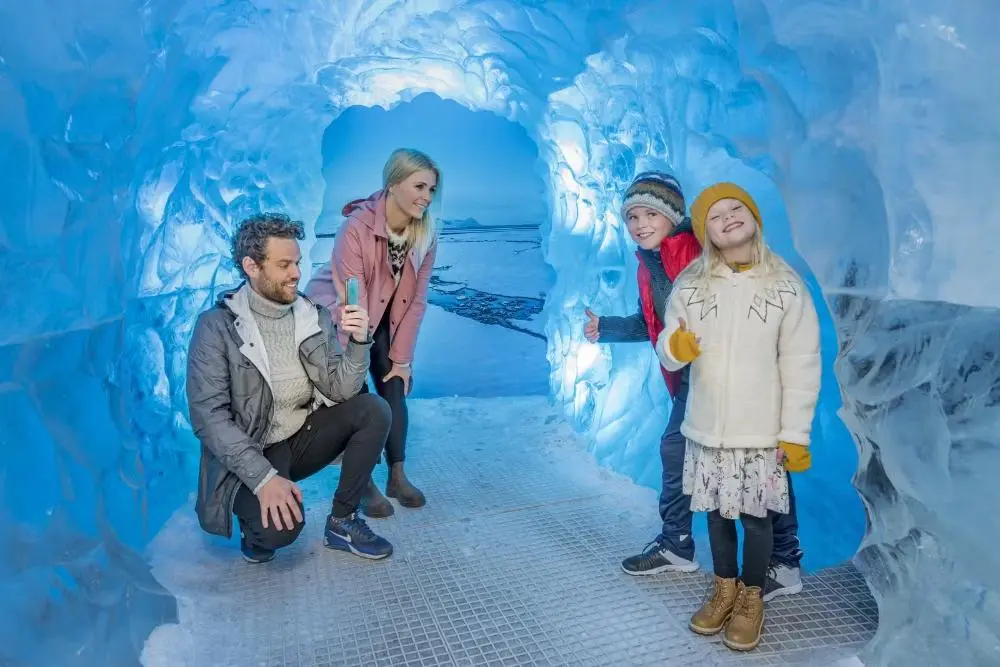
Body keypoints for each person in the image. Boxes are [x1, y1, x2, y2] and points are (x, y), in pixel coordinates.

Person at [657, 183, 821, 651]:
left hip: (761, 432)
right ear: (705, 231)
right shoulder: (692, 283)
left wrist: (794, 435)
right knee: (714, 514)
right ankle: (723, 586)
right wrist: (676, 348)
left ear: (753, 217)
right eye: (715, 215)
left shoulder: (786, 286)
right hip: (707, 428)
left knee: (757, 518)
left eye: (737, 208)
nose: (728, 217)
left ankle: (751, 596)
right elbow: (667, 344)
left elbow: (801, 362)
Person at [186, 213, 395, 564]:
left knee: (373, 409)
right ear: (251, 266)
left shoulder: (312, 315)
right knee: (278, 532)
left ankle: (343, 521)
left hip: (299, 437)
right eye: (284, 265)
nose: (297, 273)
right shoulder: (216, 327)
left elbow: (341, 390)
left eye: (297, 262)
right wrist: (263, 478)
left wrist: (359, 341)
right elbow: (209, 417)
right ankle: (252, 533)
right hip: (249, 450)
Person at [306, 148, 439, 518]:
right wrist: (352, 363)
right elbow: (353, 297)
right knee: (358, 396)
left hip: (381, 318)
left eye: (431, 189)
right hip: (337, 319)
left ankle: (397, 473)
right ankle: (361, 480)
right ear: (394, 184)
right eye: (419, 186)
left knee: (394, 384)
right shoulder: (357, 227)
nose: (426, 197)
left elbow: (416, 302)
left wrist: (403, 360)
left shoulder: (425, 236)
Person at [583, 171, 702, 572]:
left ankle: (680, 545)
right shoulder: (649, 264)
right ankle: (679, 544)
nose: (639, 225)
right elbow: (650, 323)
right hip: (687, 374)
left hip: (715, 372)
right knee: (683, 452)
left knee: (681, 449)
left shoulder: (692, 253)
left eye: (650, 213)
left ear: (673, 215)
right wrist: (606, 328)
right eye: (632, 217)